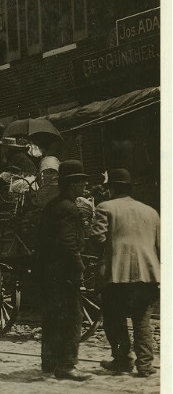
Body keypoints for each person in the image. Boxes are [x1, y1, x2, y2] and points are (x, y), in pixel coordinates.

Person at [90, 168, 160, 377]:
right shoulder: (151, 211)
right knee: (142, 322)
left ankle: (122, 360)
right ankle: (145, 366)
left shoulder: (105, 207)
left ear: (111, 188)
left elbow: (97, 239)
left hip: (117, 274)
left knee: (114, 318)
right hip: (148, 275)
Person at [35, 160, 92, 381]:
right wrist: (79, 265)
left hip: (49, 271)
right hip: (64, 271)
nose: (85, 187)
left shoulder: (53, 205)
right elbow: (68, 242)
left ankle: (49, 362)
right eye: (81, 182)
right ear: (72, 184)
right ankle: (67, 365)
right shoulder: (69, 208)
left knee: (52, 317)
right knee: (71, 317)